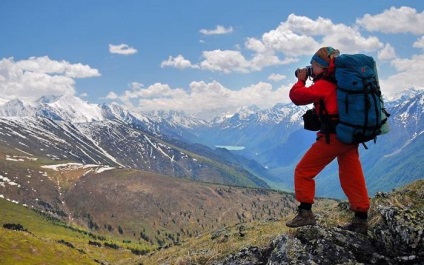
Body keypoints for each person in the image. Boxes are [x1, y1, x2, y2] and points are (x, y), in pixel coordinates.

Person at [286, 47, 370, 234]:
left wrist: (300, 80)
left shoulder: (326, 84)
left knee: (303, 171)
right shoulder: (342, 83)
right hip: (349, 135)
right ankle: (361, 219)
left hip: (333, 137)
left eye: (313, 66)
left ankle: (305, 212)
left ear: (322, 66)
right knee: (352, 175)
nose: (310, 69)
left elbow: (297, 97)